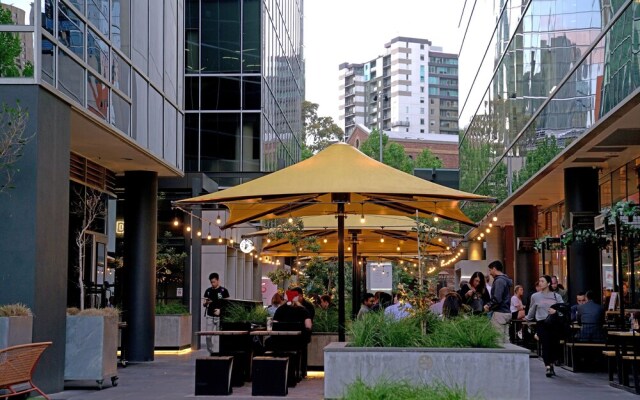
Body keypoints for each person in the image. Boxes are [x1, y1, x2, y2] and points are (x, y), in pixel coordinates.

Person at [526, 275, 564, 377]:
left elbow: (563, 309)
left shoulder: (557, 296)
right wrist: (528, 319)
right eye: (539, 281)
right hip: (542, 323)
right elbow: (532, 309)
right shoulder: (535, 296)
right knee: (545, 344)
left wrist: (555, 311)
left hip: (554, 323)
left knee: (554, 344)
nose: (540, 283)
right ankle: (547, 366)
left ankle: (551, 364)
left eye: (542, 281)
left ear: (548, 283)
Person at [484, 260, 513, 342]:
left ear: (494, 268)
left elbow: (497, 298)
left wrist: (488, 306)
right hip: (506, 312)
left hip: (499, 313)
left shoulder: (499, 281)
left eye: (490, 270)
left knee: (498, 339)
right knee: (506, 339)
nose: (490, 273)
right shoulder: (505, 280)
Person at [203, 272, 230, 354]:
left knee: (218, 335)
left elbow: (228, 304)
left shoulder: (223, 291)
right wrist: (206, 303)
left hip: (219, 316)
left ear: (218, 280)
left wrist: (221, 311)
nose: (213, 284)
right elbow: (204, 303)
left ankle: (217, 351)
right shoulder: (208, 291)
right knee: (208, 335)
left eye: (214, 282)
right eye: (211, 282)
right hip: (210, 315)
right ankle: (210, 350)